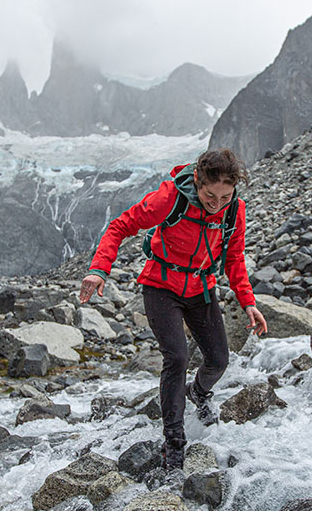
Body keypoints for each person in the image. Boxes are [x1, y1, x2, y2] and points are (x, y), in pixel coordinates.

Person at [79, 149, 268, 471]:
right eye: (210, 195)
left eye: (225, 196)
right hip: (161, 287)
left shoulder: (234, 210)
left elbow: (234, 259)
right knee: (177, 358)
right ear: (197, 181)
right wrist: (99, 269)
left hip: (201, 289)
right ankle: (174, 441)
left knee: (219, 360)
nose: (217, 203)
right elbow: (119, 227)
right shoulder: (170, 198)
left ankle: (198, 392)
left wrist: (248, 302)